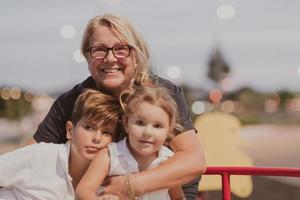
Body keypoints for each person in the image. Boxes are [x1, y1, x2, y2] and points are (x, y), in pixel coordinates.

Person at [26, 13, 206, 199]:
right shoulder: (72, 101)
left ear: (136, 55)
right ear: (87, 56)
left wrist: (131, 185)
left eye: (121, 49)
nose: (110, 58)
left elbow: (194, 160)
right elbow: (28, 157)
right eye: (99, 50)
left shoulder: (160, 95)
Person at [0, 89, 122, 200]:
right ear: (70, 131)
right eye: (89, 127)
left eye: (106, 133)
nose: (97, 138)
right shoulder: (41, 156)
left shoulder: (108, 184)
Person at [76, 86, 186, 200]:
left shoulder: (169, 160)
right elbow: (83, 190)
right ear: (126, 123)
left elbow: (177, 197)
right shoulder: (109, 156)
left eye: (157, 126)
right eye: (140, 123)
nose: (148, 132)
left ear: (169, 130)